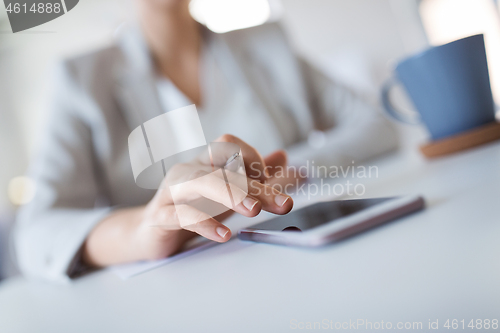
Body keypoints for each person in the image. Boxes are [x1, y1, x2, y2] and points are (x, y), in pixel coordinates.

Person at [14, 0, 398, 282]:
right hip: (184, 287)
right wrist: (142, 231)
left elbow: (375, 124)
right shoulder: (79, 81)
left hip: (304, 262)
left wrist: (291, 171)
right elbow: (35, 233)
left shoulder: (268, 42)